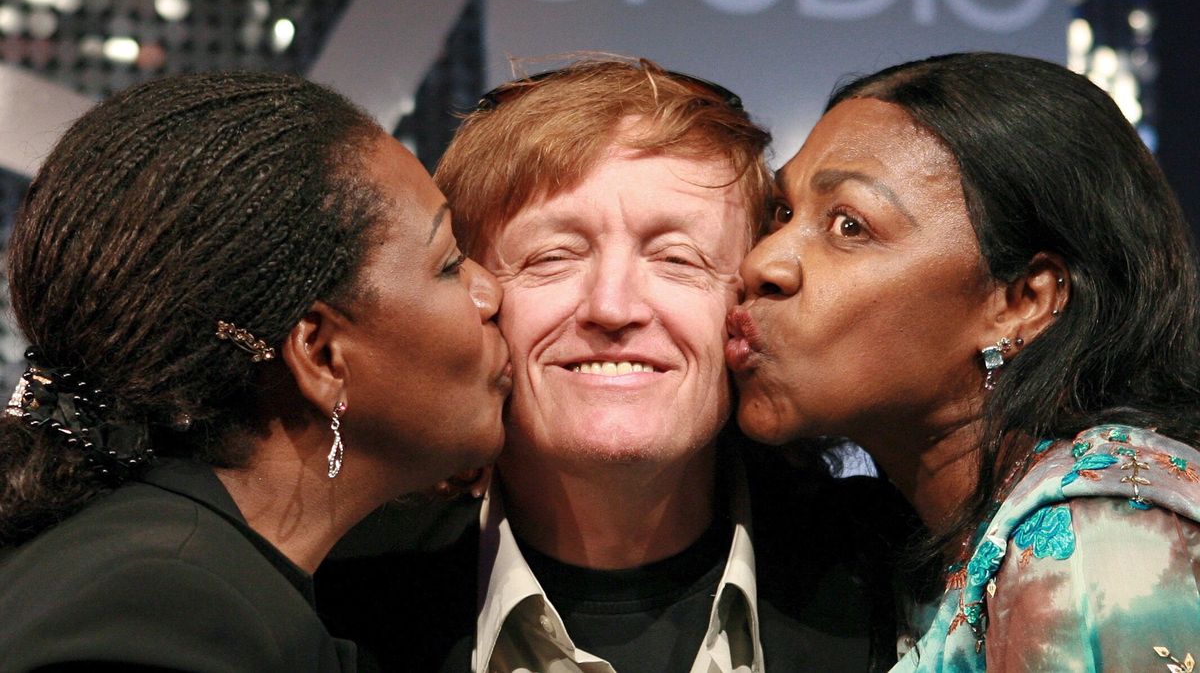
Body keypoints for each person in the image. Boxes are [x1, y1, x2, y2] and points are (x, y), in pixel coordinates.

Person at [318, 57, 906, 672]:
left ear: (750, 298)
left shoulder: (898, 585)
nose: (612, 307)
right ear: (475, 297)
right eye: (553, 257)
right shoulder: (333, 599)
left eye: (678, 259)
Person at [0, 71, 510, 671]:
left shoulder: (149, 560)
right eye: (449, 264)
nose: (490, 290)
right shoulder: (167, 613)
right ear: (321, 356)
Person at [726, 51, 1200, 671]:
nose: (763, 263)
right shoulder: (920, 547)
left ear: (1022, 301)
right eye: (781, 214)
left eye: (849, 225)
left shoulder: (1098, 535)